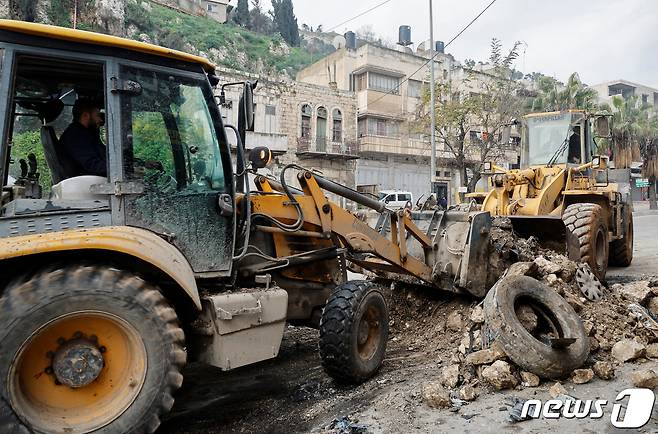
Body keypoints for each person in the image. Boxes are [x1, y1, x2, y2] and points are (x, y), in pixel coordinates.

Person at [59, 100, 107, 178]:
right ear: (85, 115)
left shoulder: (85, 133)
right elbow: (92, 165)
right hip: (87, 180)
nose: (100, 120)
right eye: (97, 115)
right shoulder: (76, 136)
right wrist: (117, 168)